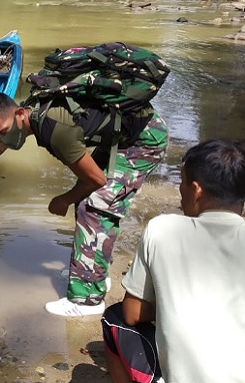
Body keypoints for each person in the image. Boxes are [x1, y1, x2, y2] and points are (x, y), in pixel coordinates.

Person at [0, 92, 168, 316]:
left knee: (94, 206)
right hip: (124, 135)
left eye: (4, 132)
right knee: (86, 197)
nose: (4, 139)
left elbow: (97, 180)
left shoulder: (55, 130)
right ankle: (93, 275)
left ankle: (87, 300)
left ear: (20, 113)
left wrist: (62, 200)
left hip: (144, 140)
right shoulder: (27, 117)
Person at [101, 139, 245, 383]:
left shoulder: (163, 229)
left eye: (182, 182)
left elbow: (132, 313)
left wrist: (176, 300)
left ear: (196, 190)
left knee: (113, 318)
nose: (180, 191)